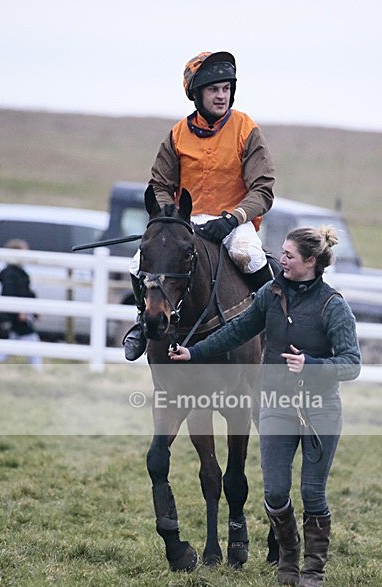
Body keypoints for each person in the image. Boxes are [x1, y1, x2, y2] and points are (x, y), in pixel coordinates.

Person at [169, 226, 361, 587]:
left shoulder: (333, 305)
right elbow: (237, 330)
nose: (281, 259)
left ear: (311, 262)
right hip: (275, 405)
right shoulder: (269, 294)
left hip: (320, 409)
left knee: (312, 493)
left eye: (288, 255)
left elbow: (352, 363)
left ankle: (314, 570)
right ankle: (288, 561)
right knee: (274, 493)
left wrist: (313, 365)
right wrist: (193, 352)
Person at [123, 50, 276, 361]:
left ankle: (275, 329)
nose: (221, 96)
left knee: (251, 256)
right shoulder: (177, 135)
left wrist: (233, 218)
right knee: (137, 262)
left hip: (233, 222)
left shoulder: (247, 130)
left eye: (226, 89)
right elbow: (160, 185)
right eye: (213, 90)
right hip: (186, 223)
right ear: (196, 94)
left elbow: (263, 189)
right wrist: (171, 218)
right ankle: (143, 324)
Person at [0, 238, 43, 369]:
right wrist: (20, 310)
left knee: (13, 340)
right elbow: (11, 294)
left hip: (20, 311)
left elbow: (28, 293)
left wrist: (34, 310)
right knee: (31, 340)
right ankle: (37, 368)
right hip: (15, 313)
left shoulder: (19, 273)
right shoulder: (11, 275)